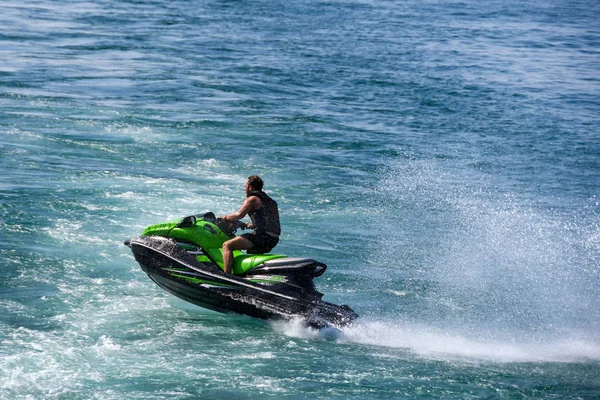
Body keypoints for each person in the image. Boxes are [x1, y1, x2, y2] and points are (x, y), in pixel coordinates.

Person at [220, 175, 281, 274]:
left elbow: (239, 215)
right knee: (250, 252)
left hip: (262, 237)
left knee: (227, 245)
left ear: (250, 187)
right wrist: (251, 225)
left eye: (245, 186)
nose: (245, 189)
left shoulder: (252, 199)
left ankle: (226, 276)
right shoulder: (271, 201)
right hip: (273, 239)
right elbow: (269, 222)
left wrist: (225, 218)